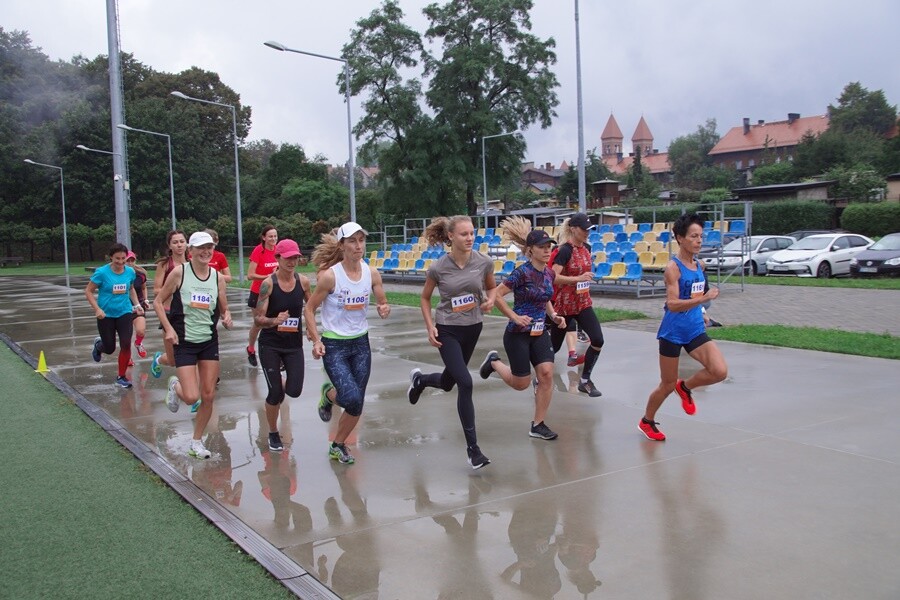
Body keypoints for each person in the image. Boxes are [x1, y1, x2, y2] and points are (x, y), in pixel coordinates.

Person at [407, 215, 496, 470]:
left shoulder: (484, 262)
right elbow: (424, 299)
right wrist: (430, 326)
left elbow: (492, 288)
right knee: (465, 382)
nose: (469, 238)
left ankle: (421, 380)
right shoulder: (438, 267)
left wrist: (490, 300)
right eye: (463, 234)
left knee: (448, 383)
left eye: (472, 234)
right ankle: (473, 450)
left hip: (473, 327)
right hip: (448, 329)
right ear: (451, 237)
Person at [304, 222, 390, 465]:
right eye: (352, 241)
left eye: (361, 240)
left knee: (356, 403)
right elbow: (309, 309)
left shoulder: (372, 273)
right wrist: (316, 340)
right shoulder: (331, 277)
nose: (358, 245)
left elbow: (382, 300)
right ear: (342, 245)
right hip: (335, 345)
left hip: (361, 343)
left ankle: (338, 444)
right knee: (351, 398)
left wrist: (383, 307)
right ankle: (329, 395)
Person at [639, 213, 728, 441]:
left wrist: (703, 311)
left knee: (719, 371)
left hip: (695, 329)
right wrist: (702, 301)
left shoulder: (700, 265)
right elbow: (672, 304)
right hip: (673, 332)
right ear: (680, 238)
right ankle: (647, 421)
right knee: (667, 384)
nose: (699, 241)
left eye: (701, 236)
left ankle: (686, 388)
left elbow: (696, 293)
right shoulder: (673, 268)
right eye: (693, 236)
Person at [478, 217, 567, 441]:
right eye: (542, 248)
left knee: (546, 375)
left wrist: (554, 316)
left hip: (540, 333)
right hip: (518, 334)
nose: (547, 251)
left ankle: (538, 424)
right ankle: (494, 363)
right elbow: (495, 295)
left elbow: (544, 297)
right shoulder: (521, 273)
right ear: (530, 250)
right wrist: (514, 316)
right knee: (521, 384)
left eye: (549, 247)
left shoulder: (549, 273)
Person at [154, 231, 233, 458]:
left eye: (209, 247)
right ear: (191, 252)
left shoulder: (217, 277)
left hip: (208, 341)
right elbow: (158, 303)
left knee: (208, 396)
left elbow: (223, 307)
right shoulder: (179, 273)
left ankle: (196, 442)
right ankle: (175, 386)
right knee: (191, 397)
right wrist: (168, 329)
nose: (206, 252)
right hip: (184, 341)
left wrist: (227, 317)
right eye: (201, 248)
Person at [253, 239, 311, 452]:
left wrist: (313, 332)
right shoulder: (269, 284)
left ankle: (279, 379)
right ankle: (272, 432)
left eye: (295, 257)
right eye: (288, 258)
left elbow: (310, 308)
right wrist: (273, 320)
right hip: (271, 344)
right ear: (277, 258)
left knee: (294, 391)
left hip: (293, 344)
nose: (292, 261)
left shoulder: (303, 282)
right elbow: (258, 319)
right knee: (275, 393)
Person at [547, 213, 605, 397]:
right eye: (584, 229)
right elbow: (553, 277)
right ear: (573, 229)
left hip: (583, 303)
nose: (587, 233)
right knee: (553, 347)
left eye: (589, 230)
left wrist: (584, 280)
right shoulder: (564, 250)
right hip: (565, 306)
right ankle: (540, 375)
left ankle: (585, 380)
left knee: (597, 339)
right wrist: (577, 279)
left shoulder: (586, 248)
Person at [85, 243, 144, 388]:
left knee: (125, 343)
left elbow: (131, 289)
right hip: (106, 315)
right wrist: (97, 309)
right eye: (117, 258)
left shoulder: (130, 272)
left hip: (124, 312)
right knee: (110, 348)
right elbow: (88, 291)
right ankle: (99, 346)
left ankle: (121, 377)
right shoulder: (102, 272)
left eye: (124, 258)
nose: (121, 262)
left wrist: (137, 305)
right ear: (111, 257)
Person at [150, 230, 187, 378]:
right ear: (169, 245)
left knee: (189, 353)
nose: (179, 245)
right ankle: (159, 359)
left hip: (187, 312)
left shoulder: (192, 263)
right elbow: (156, 290)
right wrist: (174, 288)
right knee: (172, 361)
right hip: (168, 312)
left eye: (182, 241)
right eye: (175, 242)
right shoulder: (165, 264)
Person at [246, 225, 279, 367]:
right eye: (270, 236)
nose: (273, 239)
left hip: (274, 292)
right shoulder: (259, 251)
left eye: (275, 236)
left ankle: (276, 354)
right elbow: (250, 275)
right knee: (259, 323)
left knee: (275, 323)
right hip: (258, 293)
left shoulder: (278, 250)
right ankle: (251, 348)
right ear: (264, 237)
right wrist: (267, 277)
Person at [125, 251, 151, 361]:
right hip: (123, 307)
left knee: (141, 330)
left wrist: (145, 299)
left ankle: (138, 343)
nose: (130, 263)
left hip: (138, 305)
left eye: (132, 260)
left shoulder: (140, 274)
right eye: (128, 260)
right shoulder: (119, 274)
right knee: (126, 335)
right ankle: (127, 356)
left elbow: (144, 287)